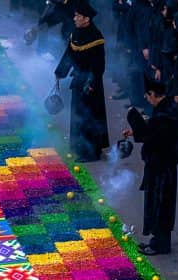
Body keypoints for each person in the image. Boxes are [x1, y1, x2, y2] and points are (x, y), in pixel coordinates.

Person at [123, 78, 178, 256]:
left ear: (154, 95)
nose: (147, 99)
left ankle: (161, 245)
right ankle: (157, 240)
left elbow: (153, 137)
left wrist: (135, 122)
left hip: (162, 167)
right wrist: (136, 131)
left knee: (160, 205)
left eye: (148, 96)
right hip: (161, 165)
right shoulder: (165, 109)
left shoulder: (165, 115)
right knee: (158, 204)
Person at [53, 1, 109, 162]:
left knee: (89, 116)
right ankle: (80, 147)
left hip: (90, 84)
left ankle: (91, 152)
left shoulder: (96, 37)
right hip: (78, 80)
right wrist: (60, 72)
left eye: (78, 16)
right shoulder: (76, 33)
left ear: (87, 19)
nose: (75, 18)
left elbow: (98, 65)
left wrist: (91, 83)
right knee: (78, 115)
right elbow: (69, 54)